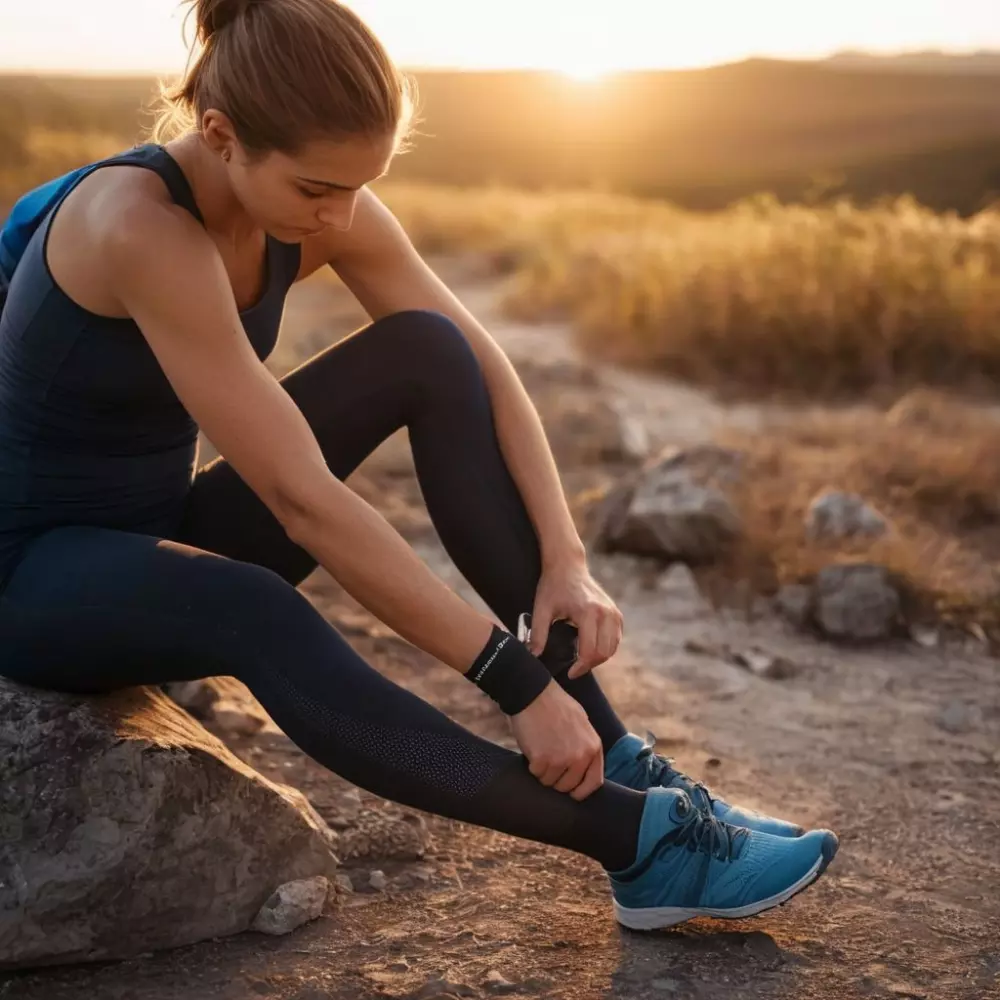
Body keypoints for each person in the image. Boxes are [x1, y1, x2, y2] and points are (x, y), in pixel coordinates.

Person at [0, 0, 837, 930]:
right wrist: (513, 681)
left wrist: (567, 560)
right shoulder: (135, 225)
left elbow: (481, 364)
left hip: (155, 531)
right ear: (222, 135)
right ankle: (633, 841)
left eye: (362, 186)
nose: (340, 215)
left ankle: (623, 762)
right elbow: (301, 498)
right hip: (32, 578)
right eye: (318, 189)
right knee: (252, 604)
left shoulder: (313, 200)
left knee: (425, 352)